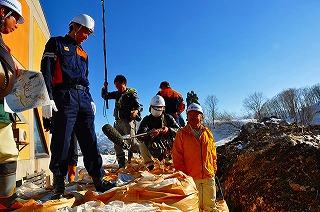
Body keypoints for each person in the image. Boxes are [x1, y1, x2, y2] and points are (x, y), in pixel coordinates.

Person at [41, 14, 114, 200]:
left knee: (90, 139)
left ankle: (98, 180)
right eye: (85, 32)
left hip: (83, 97)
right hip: (63, 96)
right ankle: (59, 184)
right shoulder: (55, 43)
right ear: (75, 27)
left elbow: (86, 80)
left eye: (89, 33)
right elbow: (46, 72)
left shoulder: (83, 53)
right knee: (62, 140)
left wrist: (89, 99)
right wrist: (46, 99)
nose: (86, 36)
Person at [0, 0, 24, 208]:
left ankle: (6, 201)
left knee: (7, 152)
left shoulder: (2, 45)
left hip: (2, 109)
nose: (16, 25)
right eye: (15, 18)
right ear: (2, 12)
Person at [172, 103, 218, 211]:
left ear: (201, 116)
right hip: (191, 179)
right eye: (190, 114)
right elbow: (177, 157)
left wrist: (213, 169)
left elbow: (213, 153)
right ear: (187, 117)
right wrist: (183, 176)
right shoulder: (181, 134)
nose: (193, 116)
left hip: (208, 178)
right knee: (193, 208)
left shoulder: (208, 133)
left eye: (196, 114)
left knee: (210, 207)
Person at [101, 75, 141, 169]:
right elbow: (105, 96)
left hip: (128, 122)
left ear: (125, 84)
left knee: (132, 143)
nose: (118, 88)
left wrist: (136, 111)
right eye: (116, 86)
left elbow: (138, 106)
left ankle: (143, 152)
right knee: (117, 143)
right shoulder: (117, 94)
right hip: (118, 122)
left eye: (119, 86)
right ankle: (121, 165)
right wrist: (104, 88)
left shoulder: (131, 94)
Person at [137, 95, 180, 170]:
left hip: (168, 147)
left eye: (159, 108)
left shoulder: (168, 118)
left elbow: (178, 130)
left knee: (177, 139)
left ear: (163, 108)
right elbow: (140, 134)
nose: (157, 110)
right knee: (141, 143)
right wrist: (149, 133)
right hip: (153, 147)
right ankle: (149, 164)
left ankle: (170, 161)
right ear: (150, 107)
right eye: (155, 107)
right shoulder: (147, 120)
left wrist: (168, 130)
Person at [43, 117, 78, 183]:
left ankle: (71, 180)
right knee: (57, 151)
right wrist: (46, 123)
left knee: (73, 151)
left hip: (72, 122)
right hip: (57, 121)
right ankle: (58, 182)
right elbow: (46, 107)